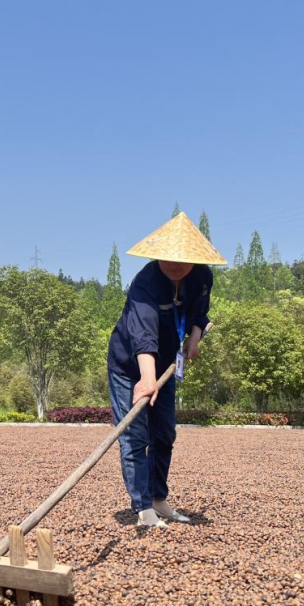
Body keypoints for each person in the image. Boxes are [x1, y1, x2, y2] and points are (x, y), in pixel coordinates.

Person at [107, 212, 227, 528]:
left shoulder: (202, 279)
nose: (173, 264)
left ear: (195, 259)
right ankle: (143, 507)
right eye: (167, 257)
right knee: (135, 436)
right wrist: (146, 379)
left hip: (165, 365)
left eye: (182, 258)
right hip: (130, 366)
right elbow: (142, 333)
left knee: (165, 433)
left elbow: (199, 314)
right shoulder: (146, 283)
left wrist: (194, 340)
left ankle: (159, 498)